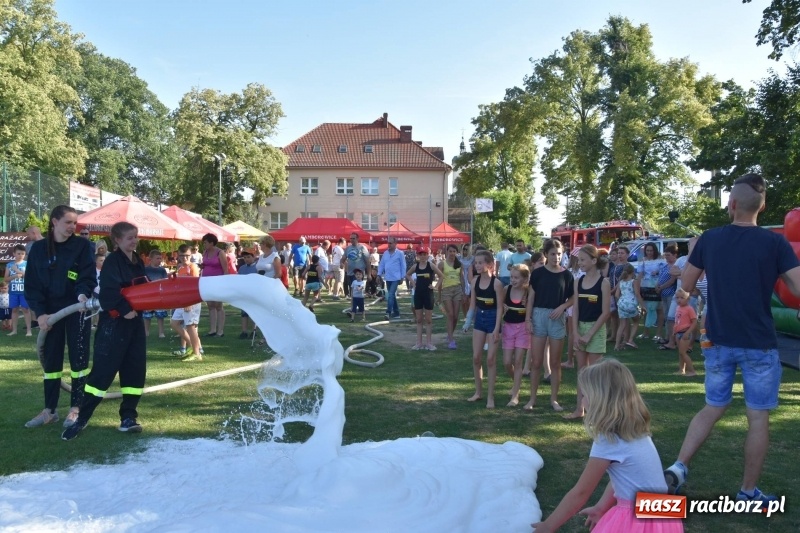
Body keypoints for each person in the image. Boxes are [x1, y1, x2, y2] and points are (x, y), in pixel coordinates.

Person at [663, 173, 800, 502]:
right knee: (757, 417)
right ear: (763, 206)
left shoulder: (710, 239)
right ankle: (748, 490)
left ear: (732, 204)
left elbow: (688, 286)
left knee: (712, 406)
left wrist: (691, 282)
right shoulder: (776, 243)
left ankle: (679, 466)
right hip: (760, 344)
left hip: (718, 340)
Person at [531, 359, 684, 533]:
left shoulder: (609, 440)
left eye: (585, 395)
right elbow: (624, 479)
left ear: (599, 400)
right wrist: (601, 507)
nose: (582, 401)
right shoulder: (635, 431)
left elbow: (581, 492)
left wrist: (548, 526)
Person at [61, 221, 148, 440]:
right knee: (102, 373)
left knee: (135, 370)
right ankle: (82, 418)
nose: (134, 241)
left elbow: (142, 287)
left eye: (135, 236)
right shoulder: (112, 261)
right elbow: (109, 292)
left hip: (134, 325)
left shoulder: (137, 261)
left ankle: (128, 418)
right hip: (114, 325)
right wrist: (124, 308)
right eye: (130, 237)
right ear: (117, 240)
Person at [24, 205, 95, 429]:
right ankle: (49, 410)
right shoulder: (38, 249)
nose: (73, 227)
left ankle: (76, 408)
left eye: (75, 223)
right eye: (68, 222)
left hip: (76, 309)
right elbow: (32, 285)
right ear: (54, 222)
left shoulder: (83, 246)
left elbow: (87, 275)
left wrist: (83, 294)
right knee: (52, 362)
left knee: (79, 360)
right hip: (49, 314)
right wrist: (41, 313)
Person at [526, 239, 573, 412]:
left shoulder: (567, 275)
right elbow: (530, 298)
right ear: (546, 254)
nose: (556, 257)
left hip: (557, 317)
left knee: (555, 362)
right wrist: (528, 319)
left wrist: (563, 307)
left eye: (559, 254)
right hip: (538, 316)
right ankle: (532, 399)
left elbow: (573, 297)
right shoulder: (537, 274)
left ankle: (554, 399)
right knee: (536, 361)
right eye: (553, 254)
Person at [565, 244, 610, 420]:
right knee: (582, 372)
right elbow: (575, 309)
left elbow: (606, 313)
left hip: (596, 330)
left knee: (595, 374)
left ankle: (596, 411)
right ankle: (579, 409)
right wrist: (575, 333)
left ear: (594, 260)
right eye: (579, 259)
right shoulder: (578, 281)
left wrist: (590, 334)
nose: (580, 263)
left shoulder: (604, 283)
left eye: (583, 260)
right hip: (580, 328)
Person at [462, 250, 503, 409]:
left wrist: (496, 329)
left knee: (491, 359)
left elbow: (500, 308)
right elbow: (473, 304)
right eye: (476, 263)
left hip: (493, 319)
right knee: (476, 357)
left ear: (490, 265)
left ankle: (490, 397)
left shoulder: (497, 284)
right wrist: (467, 322)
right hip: (480, 318)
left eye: (480, 262)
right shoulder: (474, 282)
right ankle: (478, 392)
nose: (477, 265)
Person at [502, 264, 530, 407]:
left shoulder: (528, 292)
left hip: (523, 329)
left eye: (516, 278)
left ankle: (515, 395)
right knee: (507, 362)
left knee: (518, 362)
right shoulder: (506, 289)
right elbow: (499, 306)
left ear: (524, 278)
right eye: (511, 277)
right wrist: (503, 308)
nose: (513, 280)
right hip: (508, 328)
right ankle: (516, 382)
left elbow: (532, 311)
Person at [170, 245, 203, 361]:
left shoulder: (192, 267)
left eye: (187, 256)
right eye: (182, 256)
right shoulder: (181, 268)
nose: (184, 258)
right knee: (174, 323)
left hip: (191, 301)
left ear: (191, 255)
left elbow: (194, 286)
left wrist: (189, 302)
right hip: (182, 301)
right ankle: (194, 347)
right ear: (178, 256)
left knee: (190, 326)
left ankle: (197, 353)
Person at [406, 247, 443, 351]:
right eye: (421, 254)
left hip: (428, 294)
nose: (422, 256)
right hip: (418, 294)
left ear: (428, 255)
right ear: (418, 255)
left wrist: (435, 287)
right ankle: (418, 342)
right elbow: (407, 274)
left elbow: (441, 276)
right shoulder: (415, 266)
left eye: (424, 254)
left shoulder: (431, 265)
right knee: (418, 320)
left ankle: (429, 343)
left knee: (428, 320)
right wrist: (413, 284)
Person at [200, 233, 229, 337]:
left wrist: (225, 282)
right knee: (210, 305)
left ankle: (220, 330)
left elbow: (225, 268)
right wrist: (202, 266)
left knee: (218, 305)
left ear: (212, 243)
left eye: (205, 243)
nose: (204, 245)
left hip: (218, 281)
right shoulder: (205, 252)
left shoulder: (220, 253)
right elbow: (205, 264)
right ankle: (212, 329)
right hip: (207, 281)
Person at [437, 244, 464, 349]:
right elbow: (440, 280)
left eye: (454, 251)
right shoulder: (441, 264)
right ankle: (451, 340)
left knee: (456, 316)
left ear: (456, 253)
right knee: (450, 314)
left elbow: (461, 278)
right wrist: (439, 296)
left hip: (457, 290)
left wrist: (464, 291)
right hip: (446, 290)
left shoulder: (458, 264)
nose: (452, 253)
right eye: (450, 251)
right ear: (447, 252)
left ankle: (449, 335)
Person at [5, 244, 32, 336]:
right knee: (14, 310)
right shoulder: (9, 265)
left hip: (24, 291)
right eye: (18, 253)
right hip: (13, 291)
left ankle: (29, 330)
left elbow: (28, 276)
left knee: (26, 310)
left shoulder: (27, 264)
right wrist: (15, 276)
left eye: (23, 254)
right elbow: (6, 279)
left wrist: (16, 270)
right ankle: (14, 330)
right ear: (14, 254)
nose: (20, 255)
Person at [142, 249, 169, 338]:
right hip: (148, 296)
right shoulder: (145, 270)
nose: (159, 260)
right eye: (157, 258)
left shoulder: (162, 270)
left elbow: (165, 282)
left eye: (160, 258)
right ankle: (146, 332)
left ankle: (161, 332)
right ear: (151, 259)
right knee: (147, 316)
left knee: (160, 315)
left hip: (159, 296)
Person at [378, 237, 406, 320]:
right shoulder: (385, 253)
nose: (389, 245)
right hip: (388, 277)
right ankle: (396, 313)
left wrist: (402, 277)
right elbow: (382, 264)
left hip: (396, 277)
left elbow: (403, 266)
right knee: (392, 295)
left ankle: (388, 312)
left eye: (390, 243)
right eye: (388, 243)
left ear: (395, 244)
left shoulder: (400, 253)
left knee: (390, 295)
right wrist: (379, 274)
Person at [671, 288, 697, 376]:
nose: (679, 300)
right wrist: (674, 331)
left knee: (683, 353)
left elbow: (694, 322)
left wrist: (688, 332)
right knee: (680, 353)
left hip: (685, 333)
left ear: (688, 299)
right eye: (677, 298)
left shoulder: (689, 309)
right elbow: (677, 320)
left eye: (682, 298)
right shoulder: (678, 308)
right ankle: (681, 370)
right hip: (678, 333)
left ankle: (692, 371)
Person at [614, 263, 639, 351]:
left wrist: (620, 303)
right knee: (636, 321)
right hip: (631, 304)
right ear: (632, 272)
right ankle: (630, 340)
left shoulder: (620, 282)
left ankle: (616, 345)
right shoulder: (634, 281)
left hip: (621, 303)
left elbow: (617, 295)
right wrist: (642, 305)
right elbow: (637, 293)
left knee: (622, 325)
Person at [237, 250, 258, 339]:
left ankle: (254, 331)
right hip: (244, 293)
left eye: (248, 257)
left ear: (253, 257)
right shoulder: (242, 268)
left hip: (254, 293)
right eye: (245, 258)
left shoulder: (257, 268)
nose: (246, 259)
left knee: (253, 312)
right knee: (244, 313)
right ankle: (244, 331)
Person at [342, 233, 369, 299]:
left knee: (358, 290)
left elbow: (367, 262)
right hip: (350, 273)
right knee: (352, 291)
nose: (351, 240)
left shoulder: (362, 248)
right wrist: (341, 263)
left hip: (358, 273)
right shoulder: (348, 248)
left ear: (357, 239)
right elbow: (343, 258)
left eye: (353, 238)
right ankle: (353, 306)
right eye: (350, 238)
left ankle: (359, 304)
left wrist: (369, 274)